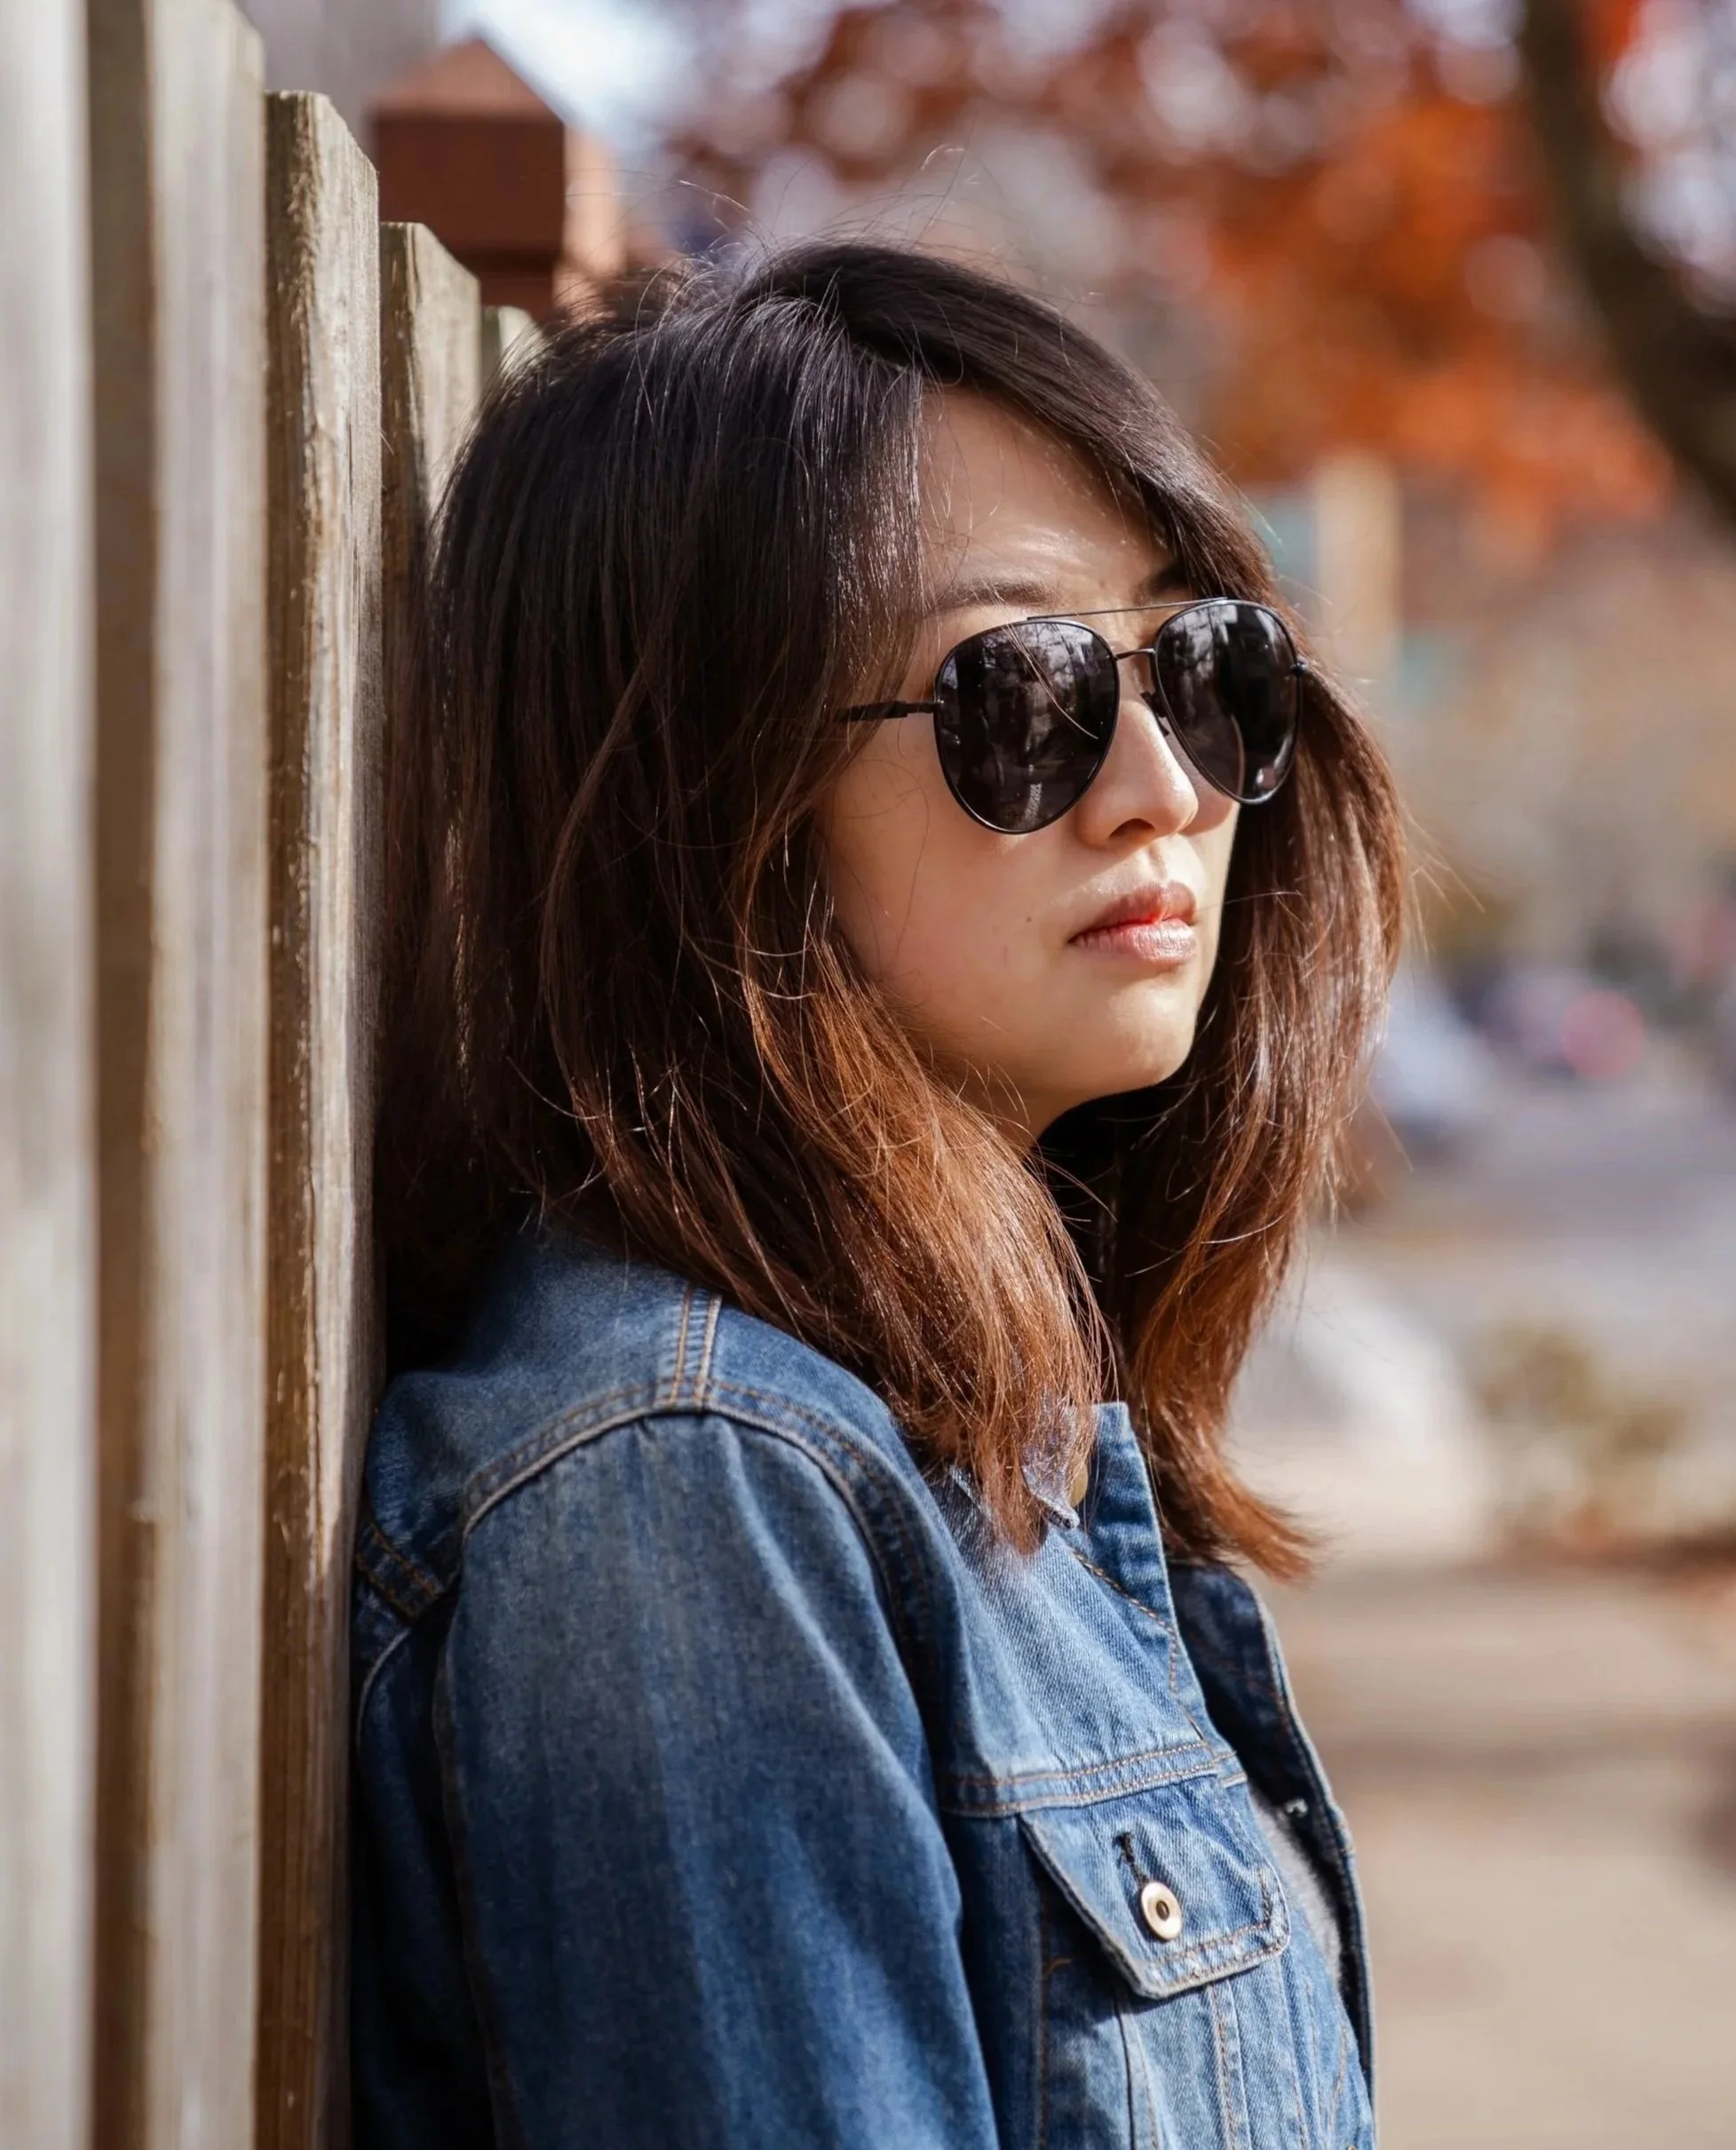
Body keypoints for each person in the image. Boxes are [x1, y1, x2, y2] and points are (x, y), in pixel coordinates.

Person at [352, 240, 1403, 2148]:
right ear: (714, 792)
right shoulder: (693, 1492)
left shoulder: (964, 1424)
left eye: (1205, 665)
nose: (1163, 781)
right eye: (1020, 692)